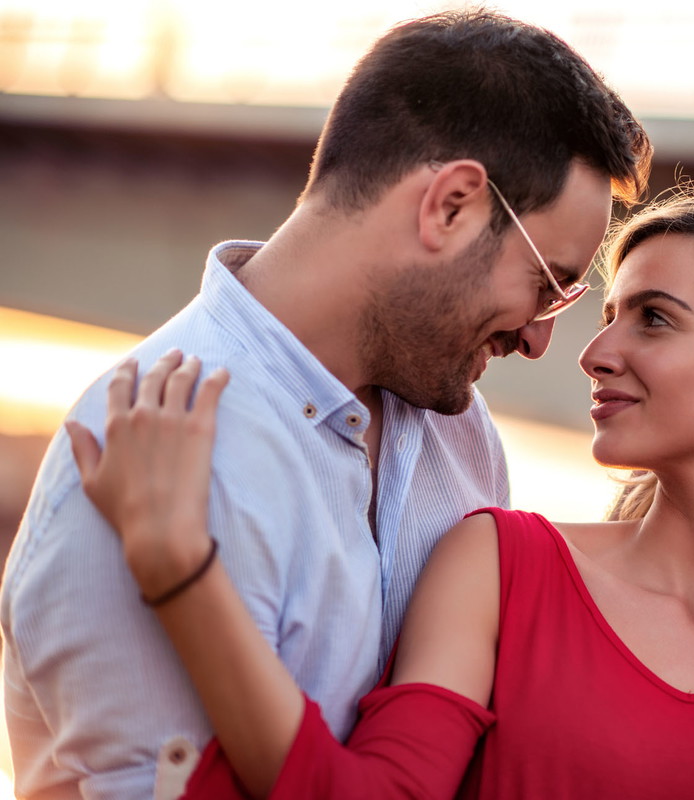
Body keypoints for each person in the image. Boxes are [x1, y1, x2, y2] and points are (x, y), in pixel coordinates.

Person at [69, 184, 694, 799]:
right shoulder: (499, 563)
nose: (594, 354)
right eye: (609, 317)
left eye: (654, 319)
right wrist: (178, 567)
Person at [0, 10, 651, 798]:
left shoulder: (465, 445)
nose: (543, 341)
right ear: (451, 206)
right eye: (546, 285)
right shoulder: (142, 453)